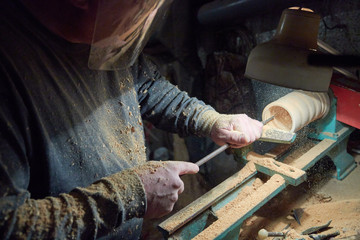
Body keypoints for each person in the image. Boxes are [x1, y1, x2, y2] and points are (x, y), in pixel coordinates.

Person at [0, 0, 263, 239]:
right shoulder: (11, 65)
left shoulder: (101, 34)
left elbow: (144, 85)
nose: (145, 15)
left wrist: (211, 121)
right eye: (141, 6)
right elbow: (9, 225)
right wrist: (130, 195)